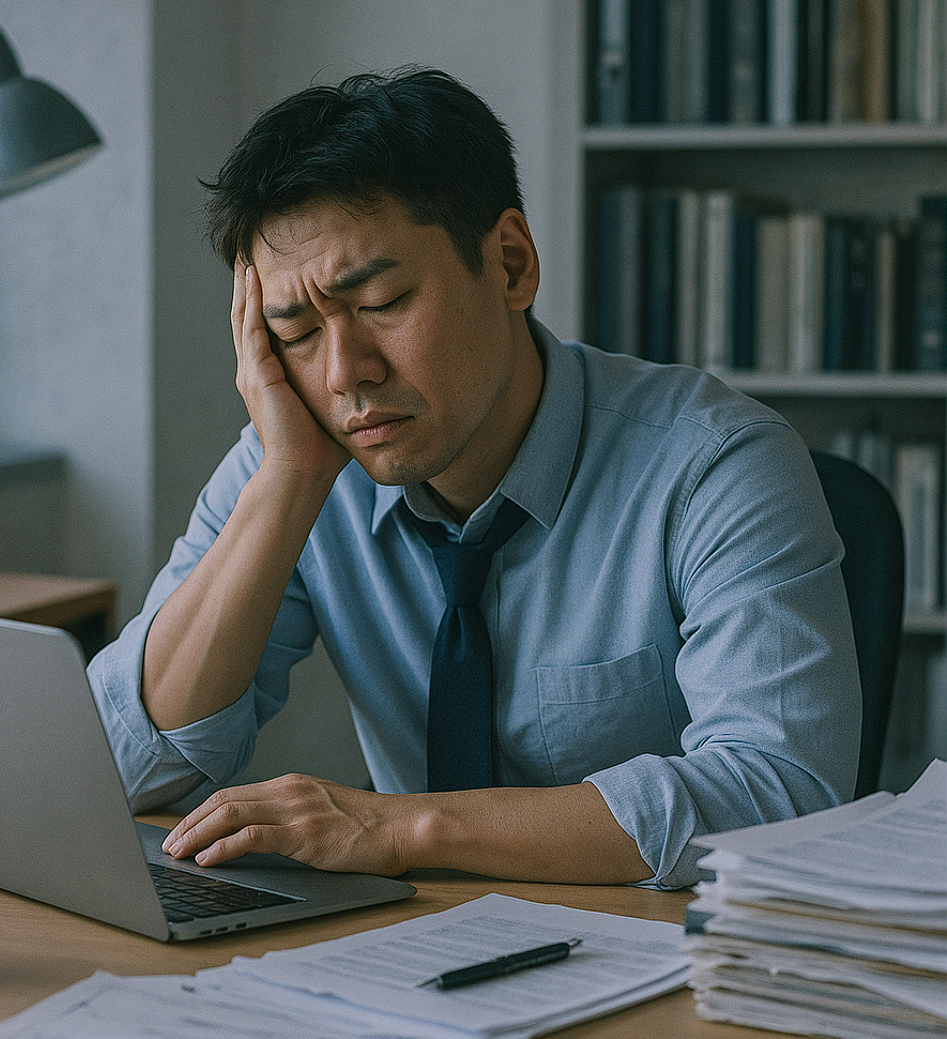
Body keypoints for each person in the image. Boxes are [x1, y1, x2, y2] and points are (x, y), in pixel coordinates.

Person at [87, 67, 861, 890]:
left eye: (381, 301)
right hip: (406, 962)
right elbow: (119, 771)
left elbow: (781, 794)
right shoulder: (295, 456)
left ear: (510, 264)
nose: (346, 372)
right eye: (297, 329)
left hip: (663, 967)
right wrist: (283, 486)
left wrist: (399, 826)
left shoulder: (715, 466)